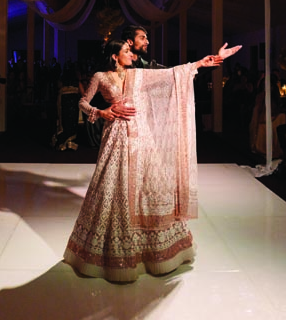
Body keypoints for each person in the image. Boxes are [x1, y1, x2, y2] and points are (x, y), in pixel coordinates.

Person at [63, 39, 241, 282]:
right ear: (114, 56)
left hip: (142, 136)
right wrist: (102, 112)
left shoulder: (138, 75)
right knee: (115, 190)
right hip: (116, 137)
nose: (131, 55)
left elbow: (171, 75)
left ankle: (154, 251)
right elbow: (82, 102)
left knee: (151, 189)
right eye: (126, 51)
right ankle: (114, 254)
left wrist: (204, 62)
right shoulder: (100, 77)